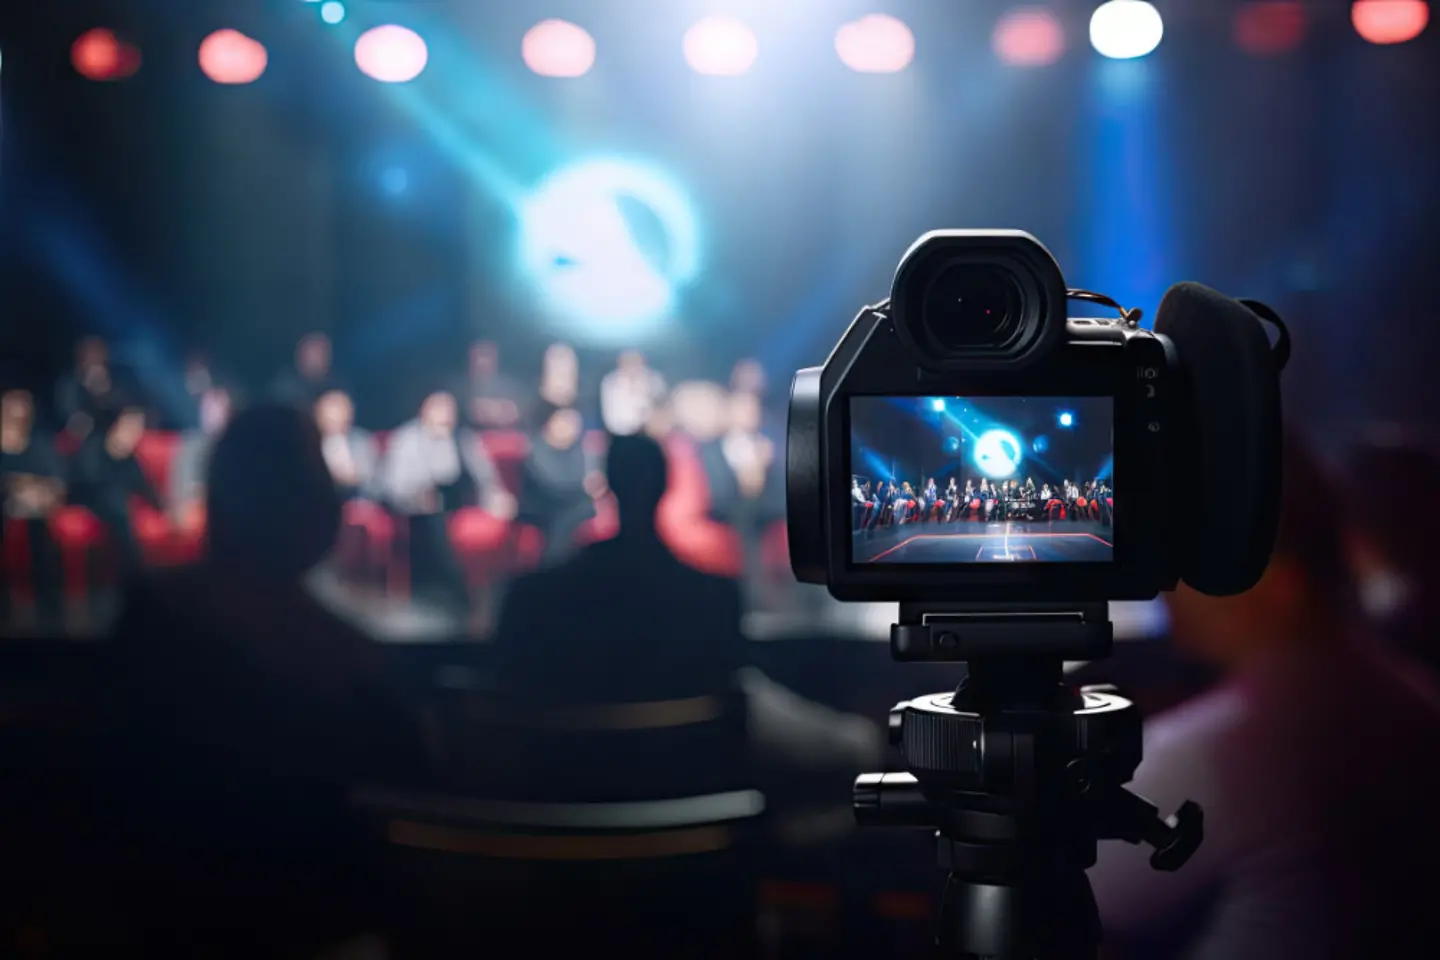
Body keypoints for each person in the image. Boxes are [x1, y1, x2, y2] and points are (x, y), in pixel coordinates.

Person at [1088, 431, 1440, 960]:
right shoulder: (1412, 694)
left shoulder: (1225, 749)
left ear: (1278, 579)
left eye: (1193, 558)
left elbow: (1059, 884)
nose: (1168, 586)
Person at [108, 403, 429, 956]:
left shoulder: (149, 615)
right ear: (310, 509)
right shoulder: (341, 659)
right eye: (319, 480)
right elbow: (415, 769)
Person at [383, 390, 514, 610]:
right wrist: (418, 495)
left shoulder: (465, 439)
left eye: (449, 409)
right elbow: (393, 487)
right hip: (415, 506)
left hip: (457, 503)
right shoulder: (406, 439)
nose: (445, 415)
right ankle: (456, 594)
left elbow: (485, 478)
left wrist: (496, 497)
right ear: (423, 410)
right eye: (438, 408)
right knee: (433, 524)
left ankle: (496, 594)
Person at [69, 406, 162, 574]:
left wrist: (165, 509)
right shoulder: (93, 446)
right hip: (87, 499)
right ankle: (136, 576)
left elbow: (146, 489)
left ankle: (136, 575)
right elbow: (86, 481)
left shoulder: (131, 460)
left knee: (121, 507)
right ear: (115, 425)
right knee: (118, 505)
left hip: (116, 507)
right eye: (130, 426)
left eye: (138, 428)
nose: (134, 433)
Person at [1, 386, 66, 624]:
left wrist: (39, 492)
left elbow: (57, 482)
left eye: (23, 405)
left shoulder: (40, 443)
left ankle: (49, 608)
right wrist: (17, 485)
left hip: (36, 508)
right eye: (11, 405)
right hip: (6, 505)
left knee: (40, 532)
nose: (18, 412)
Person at [519, 406, 604, 566]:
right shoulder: (537, 449)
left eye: (575, 424)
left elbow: (590, 478)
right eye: (566, 422)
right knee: (573, 513)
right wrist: (584, 489)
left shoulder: (579, 449)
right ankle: (552, 565)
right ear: (551, 423)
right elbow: (551, 484)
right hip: (541, 505)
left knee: (579, 512)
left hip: (570, 504)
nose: (571, 429)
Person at [169, 385, 232, 537]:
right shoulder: (192, 445)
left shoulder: (238, 445)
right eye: (209, 408)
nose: (214, 414)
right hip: (196, 506)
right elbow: (183, 492)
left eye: (221, 408)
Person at [55, 335, 130, 441]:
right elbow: (68, 416)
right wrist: (88, 391)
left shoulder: (118, 380)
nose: (95, 358)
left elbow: (127, 410)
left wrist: (104, 392)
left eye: (98, 352)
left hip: (114, 438)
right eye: (90, 353)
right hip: (81, 441)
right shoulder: (69, 385)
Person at [314, 389, 379, 502]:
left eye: (341, 412)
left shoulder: (363, 442)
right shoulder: (309, 443)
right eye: (330, 414)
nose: (335, 419)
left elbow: (376, 484)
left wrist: (356, 479)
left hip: (358, 504)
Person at [600, 350, 666, 437]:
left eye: (635, 363)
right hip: (619, 435)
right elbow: (614, 420)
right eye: (629, 363)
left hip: (646, 434)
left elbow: (660, 404)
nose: (632, 367)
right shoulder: (611, 383)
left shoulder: (652, 380)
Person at [463, 339, 523, 430]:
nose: (483, 361)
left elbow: (516, 412)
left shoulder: (509, 387)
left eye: (487, 355)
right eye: (480, 355)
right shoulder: (460, 387)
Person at [272, 331, 343, 409]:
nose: (315, 359)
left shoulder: (337, 388)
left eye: (320, 352)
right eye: (311, 352)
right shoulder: (283, 390)